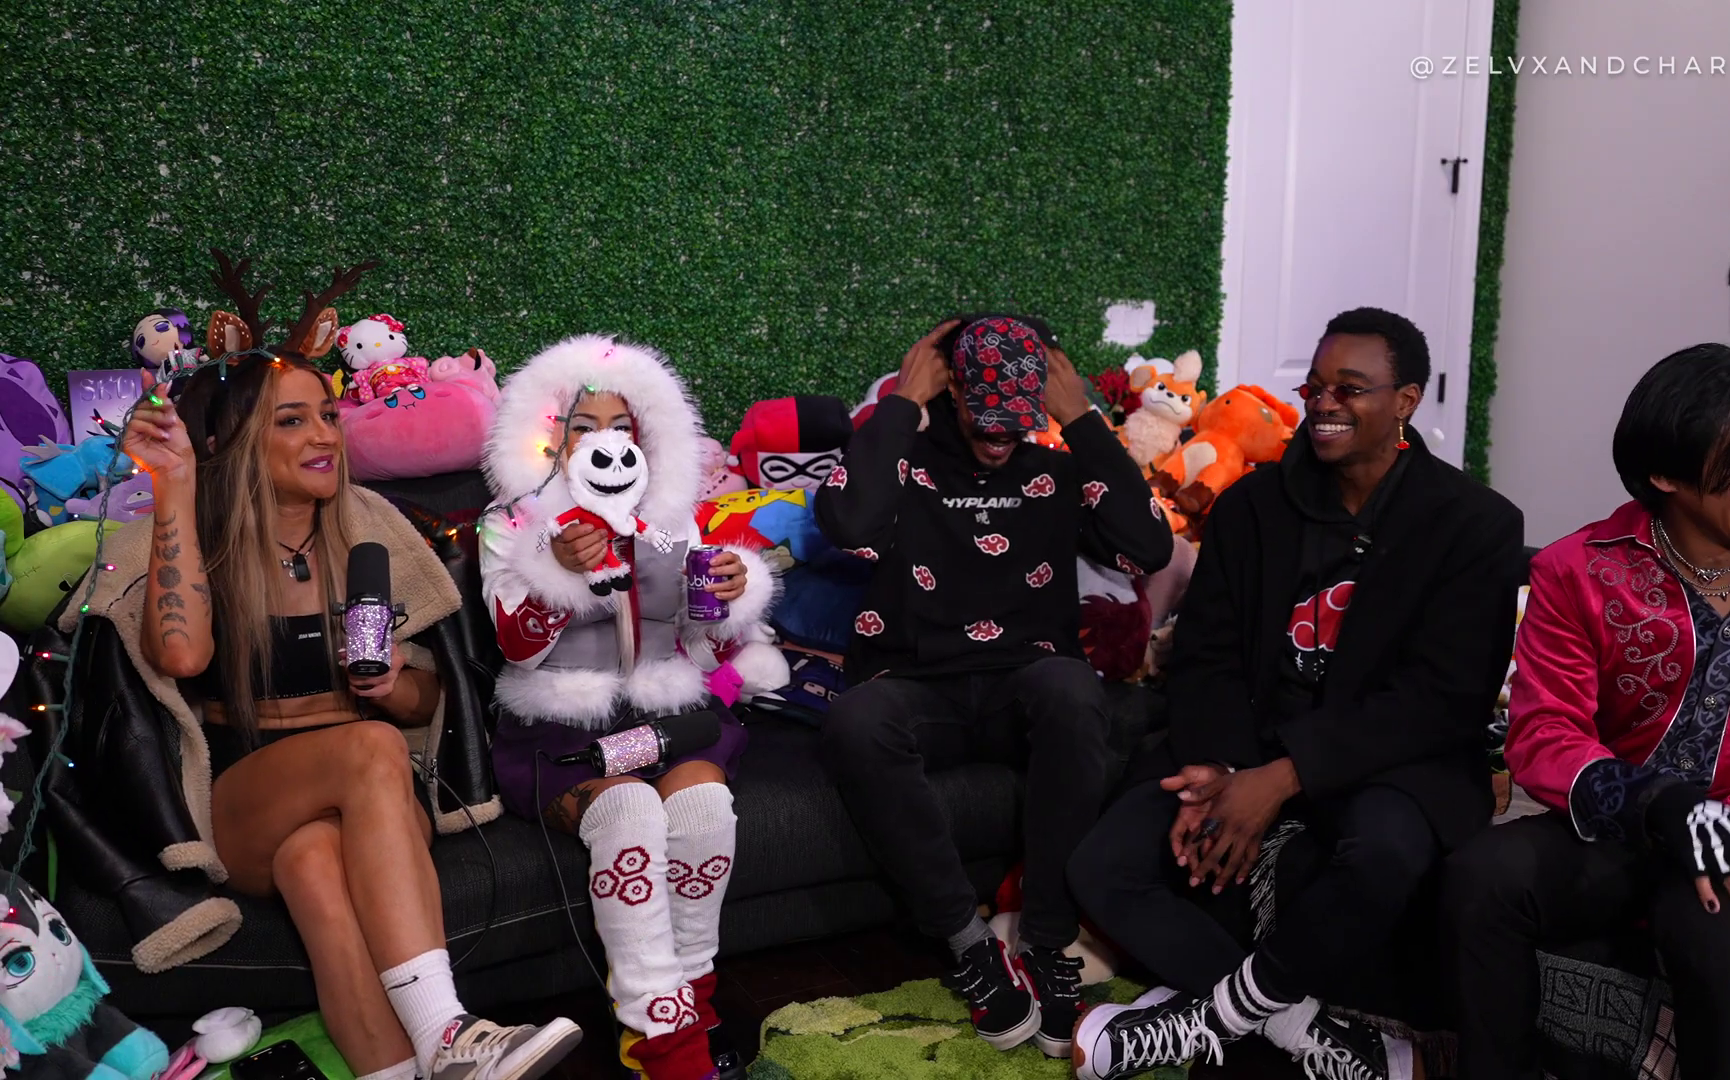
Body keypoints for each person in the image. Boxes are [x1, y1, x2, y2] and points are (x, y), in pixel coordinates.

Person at [79, 281, 581, 1080]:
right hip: (246, 799)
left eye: (328, 416)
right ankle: (449, 1031)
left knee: (316, 861)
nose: (323, 436)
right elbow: (180, 659)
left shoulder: (372, 531)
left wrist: (393, 688)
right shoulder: (191, 540)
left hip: (376, 794)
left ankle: (404, 1068)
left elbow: (434, 703)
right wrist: (174, 487)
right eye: (292, 420)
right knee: (368, 752)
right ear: (234, 441)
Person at [1064, 307, 1524, 1080]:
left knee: (1384, 852)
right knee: (1101, 865)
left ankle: (1211, 1021)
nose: (1324, 403)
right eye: (1315, 386)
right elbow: (1205, 656)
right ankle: (1306, 1034)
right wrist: (1223, 772)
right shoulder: (1254, 506)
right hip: (1245, 743)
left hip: (1392, 762)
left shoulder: (1475, 525)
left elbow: (1439, 702)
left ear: (1406, 401)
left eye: (1351, 388)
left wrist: (1283, 779)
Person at [1441, 344, 1730, 1080]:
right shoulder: (1577, 572)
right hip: (1634, 825)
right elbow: (1544, 732)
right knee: (1483, 873)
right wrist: (1661, 805)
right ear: (1666, 473)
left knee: (1714, 901)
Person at [814, 315, 1174, 1057]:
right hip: (918, 686)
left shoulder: (1057, 469)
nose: (1002, 436)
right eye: (987, 418)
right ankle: (971, 946)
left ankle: (1046, 940)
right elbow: (847, 523)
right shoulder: (906, 460)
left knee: (1073, 690)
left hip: (1026, 684)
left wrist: (1081, 419)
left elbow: (1149, 545)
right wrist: (901, 404)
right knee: (856, 719)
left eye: (1019, 419)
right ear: (950, 390)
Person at [479, 335, 787, 1080]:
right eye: (583, 427)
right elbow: (516, 646)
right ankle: (663, 1041)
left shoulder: (670, 520)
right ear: (548, 436)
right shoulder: (509, 522)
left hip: (667, 714)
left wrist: (729, 593)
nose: (605, 443)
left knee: (704, 807)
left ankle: (692, 1009)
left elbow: (702, 644)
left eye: (622, 427)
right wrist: (557, 570)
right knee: (630, 813)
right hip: (562, 727)